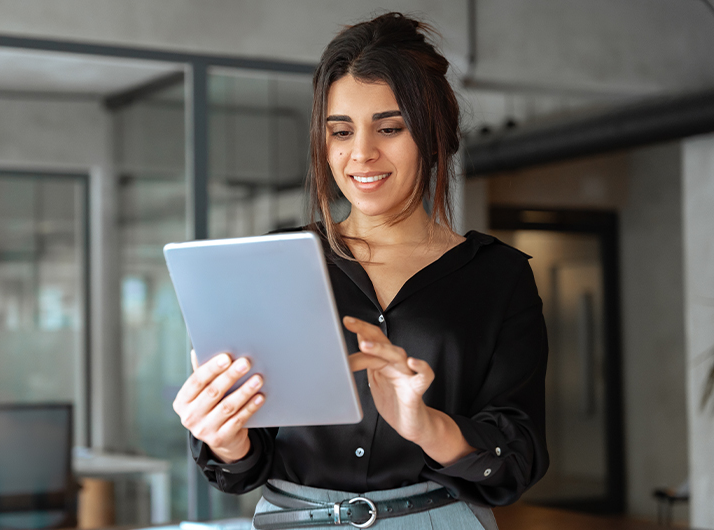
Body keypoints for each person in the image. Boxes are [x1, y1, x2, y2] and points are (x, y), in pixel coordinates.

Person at [173, 12, 549, 530]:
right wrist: (225, 437)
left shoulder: (498, 277)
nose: (361, 154)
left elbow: (518, 458)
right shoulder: (276, 263)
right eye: (341, 132)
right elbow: (243, 463)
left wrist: (427, 425)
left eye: (389, 128)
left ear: (434, 136)